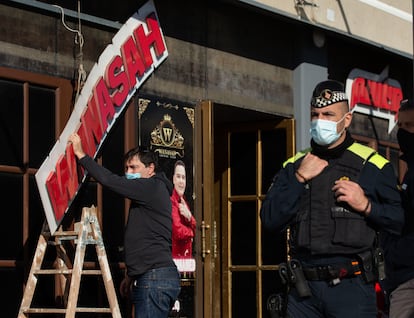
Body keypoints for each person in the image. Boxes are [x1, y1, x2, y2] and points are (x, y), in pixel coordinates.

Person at [260, 80, 404, 318]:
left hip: (352, 288)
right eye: (315, 115)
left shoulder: (373, 164)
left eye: (328, 114)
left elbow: (399, 221)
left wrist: (366, 206)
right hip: (303, 290)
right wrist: (299, 178)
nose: (320, 121)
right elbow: (269, 219)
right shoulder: (294, 165)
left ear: (346, 120)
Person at [68, 133, 180, 318]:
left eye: (134, 167)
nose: (128, 172)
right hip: (152, 275)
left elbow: (110, 180)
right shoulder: (151, 190)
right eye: (126, 167)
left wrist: (81, 155)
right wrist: (131, 275)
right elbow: (144, 234)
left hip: (154, 277)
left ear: (150, 169)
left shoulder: (151, 187)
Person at [382, 99, 414, 318]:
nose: (402, 133)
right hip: (400, 274)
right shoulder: (409, 168)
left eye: (409, 126)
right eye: (400, 126)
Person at [171, 160, 196, 259]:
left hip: (185, 259)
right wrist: (192, 232)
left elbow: (194, 223)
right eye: (178, 177)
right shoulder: (171, 201)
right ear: (173, 179)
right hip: (175, 260)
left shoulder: (183, 201)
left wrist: (189, 217)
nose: (181, 181)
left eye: (183, 177)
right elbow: (177, 231)